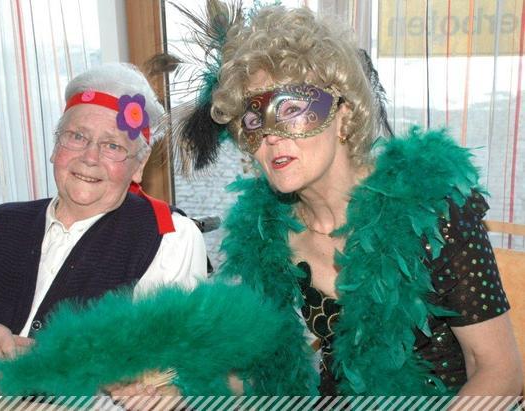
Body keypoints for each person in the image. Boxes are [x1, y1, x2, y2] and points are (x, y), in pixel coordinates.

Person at [160, 2, 523, 396]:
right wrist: (181, 388)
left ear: (344, 115)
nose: (270, 135)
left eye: (291, 108)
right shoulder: (265, 236)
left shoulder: (433, 208)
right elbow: (253, 369)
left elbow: (498, 370)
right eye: (253, 120)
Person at [0, 63, 208, 395]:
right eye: (77, 136)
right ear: (55, 147)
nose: (90, 157)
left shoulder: (170, 237)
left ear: (139, 166)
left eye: (113, 146)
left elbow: (163, 374)